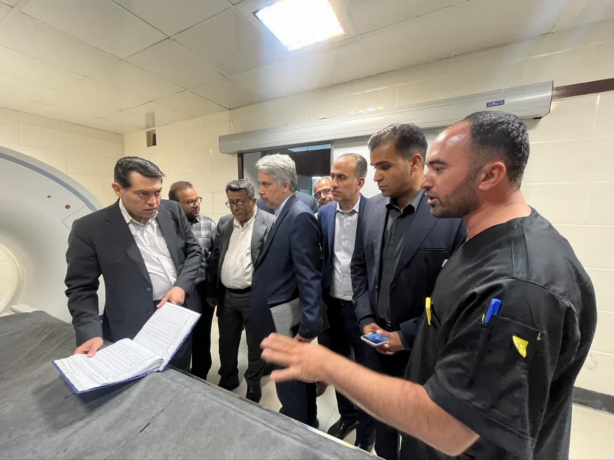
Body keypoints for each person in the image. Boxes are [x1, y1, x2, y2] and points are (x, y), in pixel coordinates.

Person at [261, 111, 597, 460]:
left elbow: (451, 427)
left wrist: (328, 365)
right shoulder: (483, 244)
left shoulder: (516, 285)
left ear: (490, 175)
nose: (425, 181)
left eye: (439, 168)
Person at [352, 123, 465, 459]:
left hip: (424, 349)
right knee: (383, 418)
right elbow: (359, 267)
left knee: (420, 435)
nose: (376, 177)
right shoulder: (372, 208)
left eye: (384, 167)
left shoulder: (450, 214)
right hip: (375, 342)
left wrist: (407, 336)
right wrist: (365, 318)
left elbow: (456, 295)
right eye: (375, 167)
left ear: (415, 162)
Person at [65, 156, 202, 370]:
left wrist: (181, 286)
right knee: (137, 380)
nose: (153, 202)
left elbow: (194, 251)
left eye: (157, 192)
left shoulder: (173, 211)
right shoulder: (90, 229)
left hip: (176, 313)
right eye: (143, 194)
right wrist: (89, 332)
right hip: (130, 323)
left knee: (178, 373)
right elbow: (81, 287)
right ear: (118, 189)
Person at [251, 154, 323, 427]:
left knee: (292, 382)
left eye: (266, 184)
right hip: (277, 316)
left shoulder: (299, 215)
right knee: (294, 379)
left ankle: (298, 427)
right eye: (260, 184)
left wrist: (309, 325)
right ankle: (305, 420)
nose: (260, 191)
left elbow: (308, 274)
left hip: (286, 319)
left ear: (285, 185)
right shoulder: (283, 212)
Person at [317, 153, 375, 451]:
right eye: (333, 176)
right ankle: (348, 416)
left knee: (365, 375)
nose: (333, 184)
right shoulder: (325, 214)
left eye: (342, 178)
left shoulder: (376, 212)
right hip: (334, 306)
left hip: (365, 310)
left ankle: (367, 433)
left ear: (360, 182)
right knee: (339, 367)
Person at [207, 179, 274, 402]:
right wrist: (212, 291)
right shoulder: (225, 223)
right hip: (227, 296)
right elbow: (216, 257)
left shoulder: (269, 223)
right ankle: (228, 377)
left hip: (254, 297)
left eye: (240, 201)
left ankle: (253, 383)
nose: (235, 207)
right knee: (226, 342)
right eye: (231, 202)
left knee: (256, 344)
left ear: (253, 200)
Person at [168, 181, 216, 380]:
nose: (196, 204)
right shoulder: (166, 228)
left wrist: (212, 291)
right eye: (189, 202)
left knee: (202, 336)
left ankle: (200, 376)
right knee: (177, 337)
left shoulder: (208, 224)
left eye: (197, 200)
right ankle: (179, 376)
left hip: (201, 289)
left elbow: (214, 260)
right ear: (175, 205)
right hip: (174, 291)